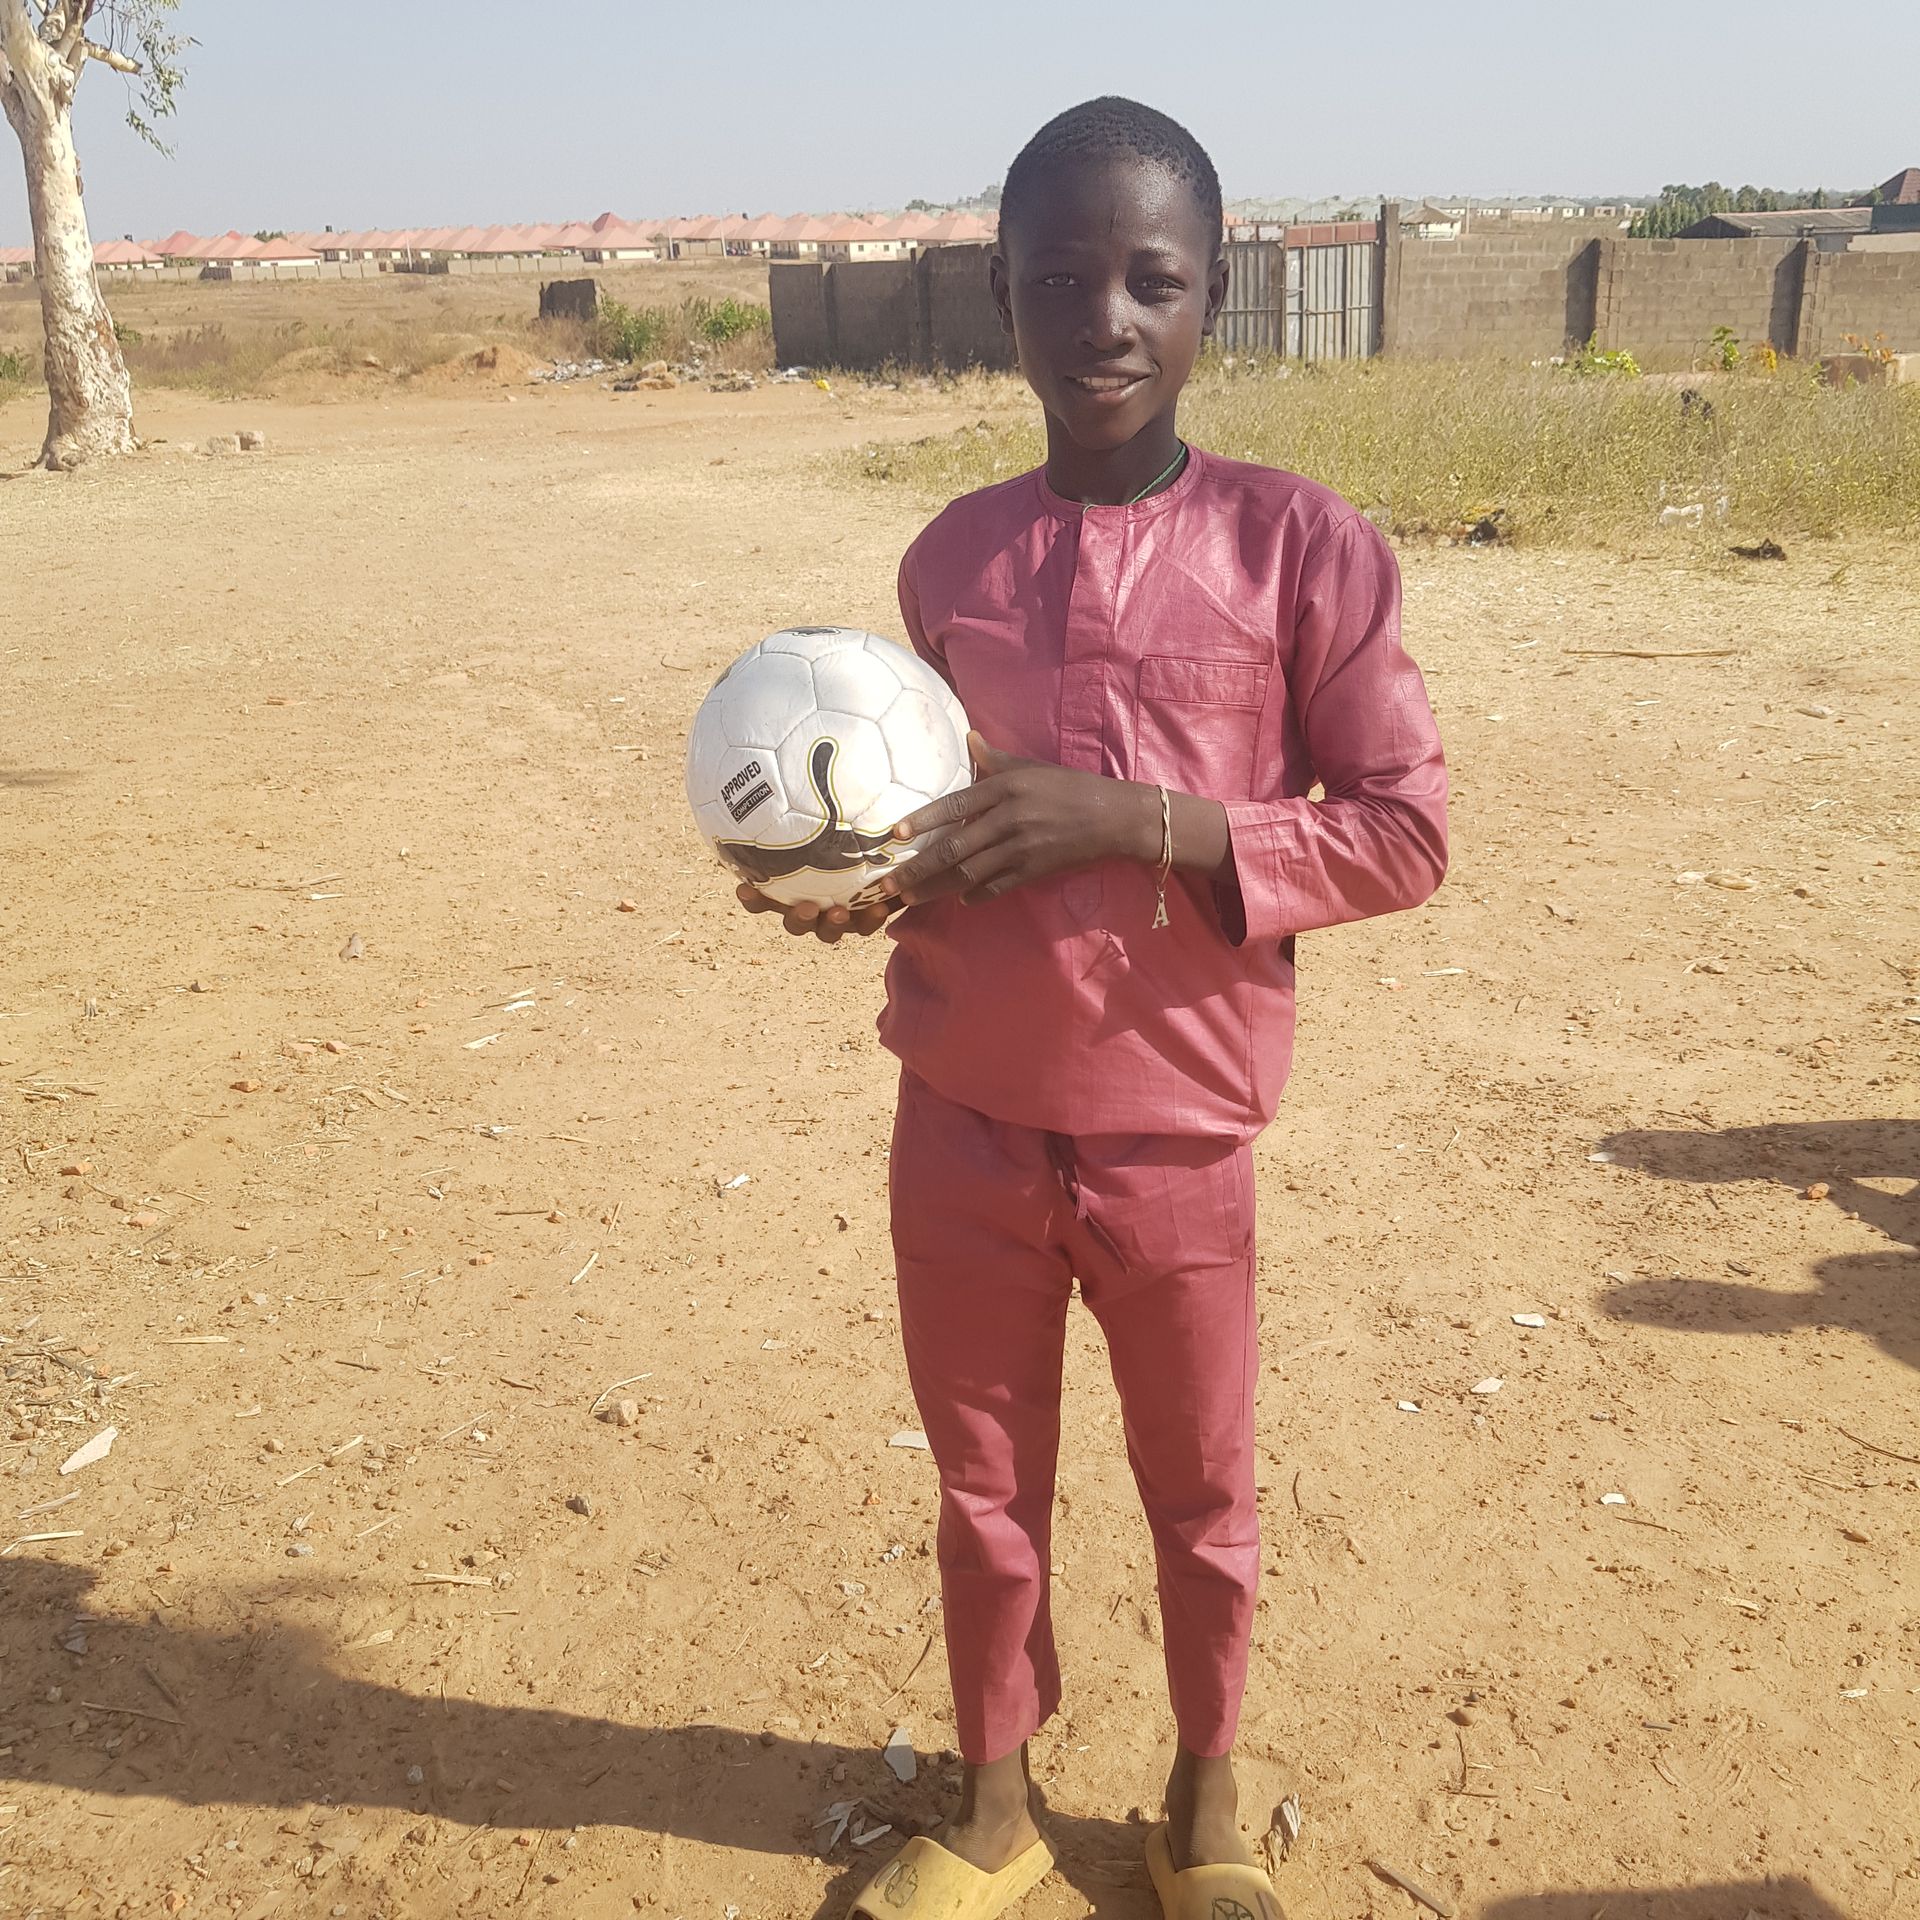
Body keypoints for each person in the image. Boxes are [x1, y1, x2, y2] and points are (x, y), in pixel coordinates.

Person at [740, 96, 1448, 1920]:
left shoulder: (1303, 550)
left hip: (1180, 1133)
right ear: (1003, 296)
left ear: (1215, 291)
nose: (1106, 322)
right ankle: (992, 1804)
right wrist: (866, 883)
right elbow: (942, 821)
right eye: (1059, 281)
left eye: (1150, 280)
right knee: (984, 1486)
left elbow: (1403, 831)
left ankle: (1206, 1795)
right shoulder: (950, 563)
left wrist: (1141, 819)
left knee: (1203, 1491)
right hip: (964, 1113)